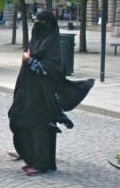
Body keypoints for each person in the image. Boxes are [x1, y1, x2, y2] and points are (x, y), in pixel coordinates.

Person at [8, 11, 94, 176]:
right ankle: (31, 158)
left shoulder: (53, 45)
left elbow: (51, 70)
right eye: (37, 20)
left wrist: (30, 60)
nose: (39, 24)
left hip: (43, 95)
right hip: (27, 93)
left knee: (40, 128)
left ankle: (42, 164)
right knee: (20, 122)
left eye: (43, 21)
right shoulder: (35, 40)